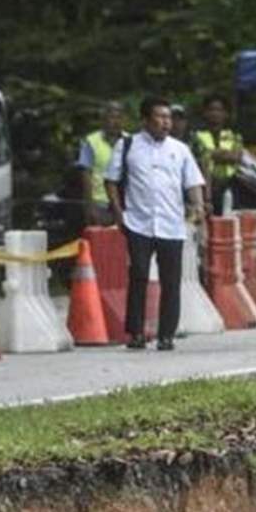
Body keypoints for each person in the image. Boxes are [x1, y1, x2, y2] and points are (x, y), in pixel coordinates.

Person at [105, 96, 206, 351]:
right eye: (160, 117)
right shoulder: (128, 146)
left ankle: (166, 334)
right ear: (145, 120)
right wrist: (118, 213)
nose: (166, 123)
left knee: (171, 281)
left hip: (171, 224)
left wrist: (200, 211)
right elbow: (111, 180)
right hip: (138, 222)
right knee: (138, 275)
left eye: (168, 118)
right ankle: (136, 332)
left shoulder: (180, 149)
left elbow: (193, 183)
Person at [192, 95, 248, 214]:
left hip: (230, 185)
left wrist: (213, 154)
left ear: (226, 114)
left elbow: (237, 157)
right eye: (211, 109)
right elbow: (201, 159)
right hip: (205, 187)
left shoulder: (233, 135)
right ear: (205, 113)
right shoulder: (196, 135)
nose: (215, 113)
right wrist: (223, 155)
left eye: (219, 110)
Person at [77, 101, 127, 227]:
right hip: (100, 205)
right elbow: (86, 176)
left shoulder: (130, 141)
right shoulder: (91, 141)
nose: (116, 122)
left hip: (125, 205)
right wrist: (90, 206)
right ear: (103, 119)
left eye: (119, 117)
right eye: (112, 117)